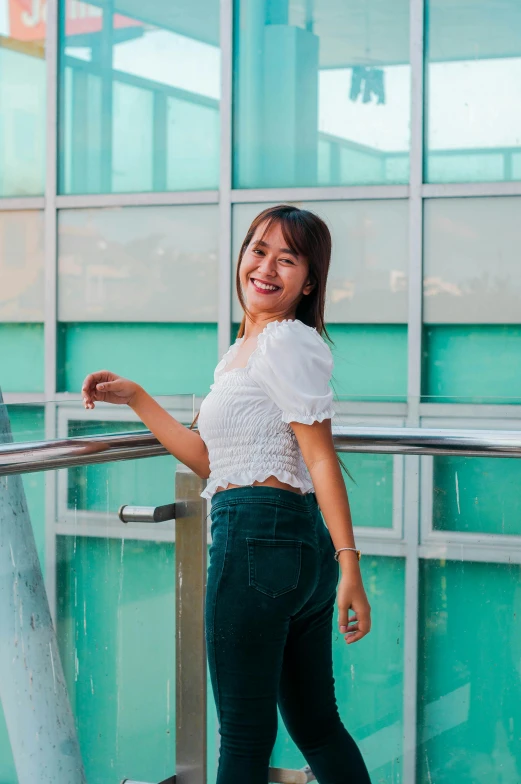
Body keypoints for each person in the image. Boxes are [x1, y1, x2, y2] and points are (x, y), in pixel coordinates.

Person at [81, 204, 372, 783]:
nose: (266, 267)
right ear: (241, 256)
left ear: (308, 281)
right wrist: (138, 398)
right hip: (289, 544)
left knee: (243, 737)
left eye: (287, 259)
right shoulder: (244, 351)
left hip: (257, 540)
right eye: (258, 250)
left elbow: (319, 456)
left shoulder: (287, 341)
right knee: (315, 725)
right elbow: (212, 461)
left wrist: (350, 566)